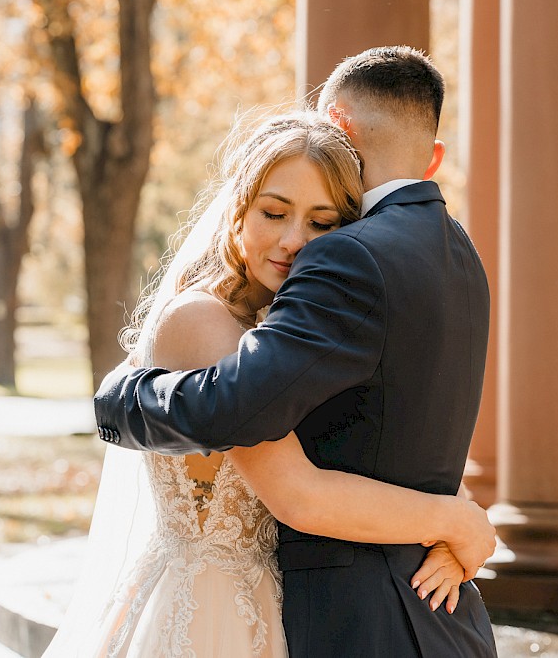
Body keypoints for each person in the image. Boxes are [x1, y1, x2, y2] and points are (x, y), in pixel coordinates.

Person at [95, 47, 498, 656]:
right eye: (274, 212)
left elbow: (382, 426)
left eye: (321, 221)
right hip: (214, 609)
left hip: (303, 606)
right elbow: (294, 489)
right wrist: (452, 520)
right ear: (236, 215)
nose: (293, 242)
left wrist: (461, 516)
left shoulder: (313, 312)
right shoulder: (206, 320)